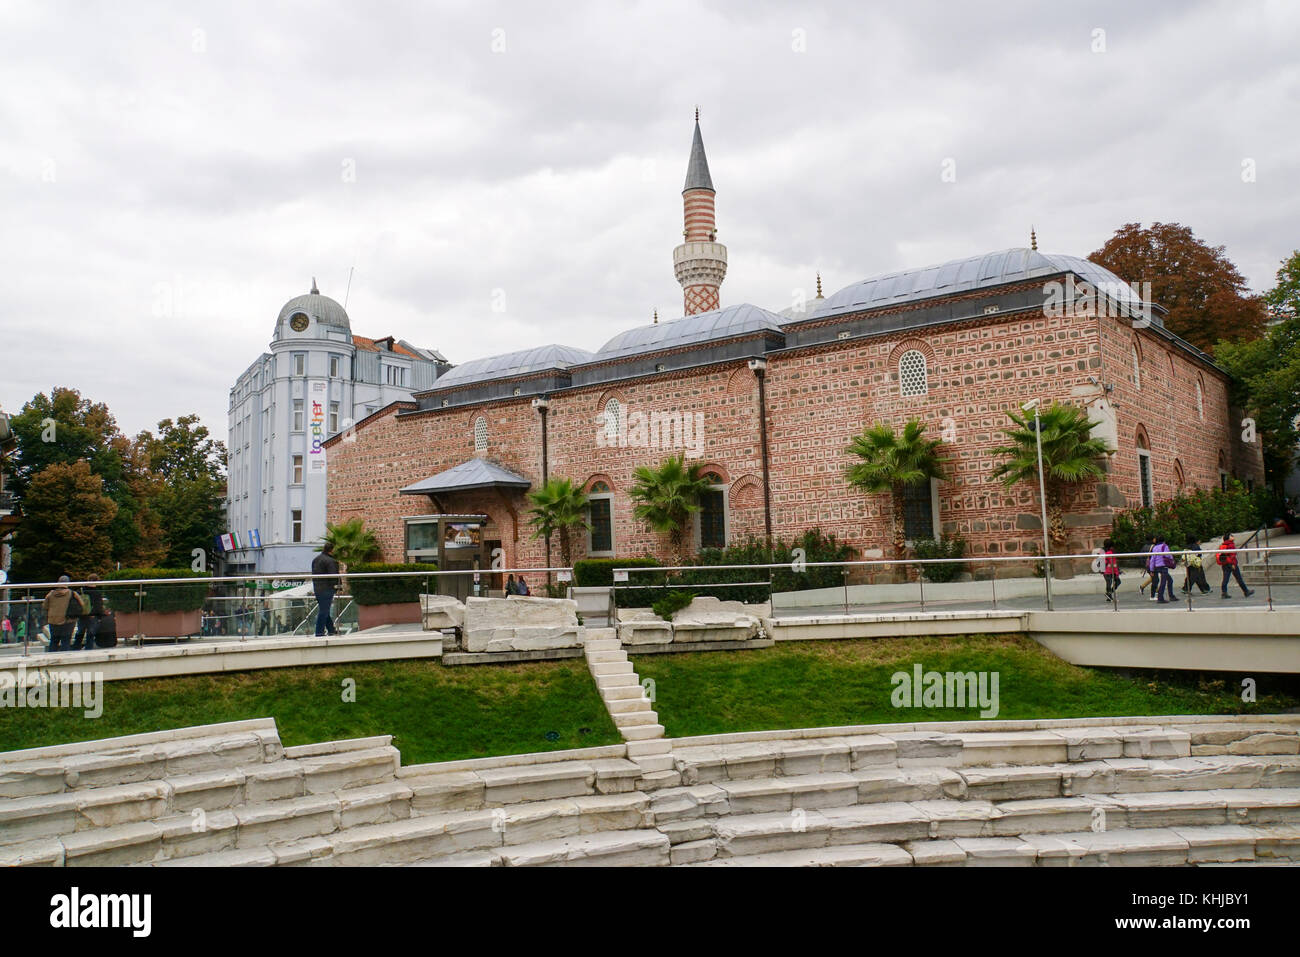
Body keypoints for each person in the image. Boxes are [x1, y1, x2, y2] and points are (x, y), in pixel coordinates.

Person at [42, 575, 82, 653]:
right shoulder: (72, 593)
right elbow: (82, 604)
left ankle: (51, 659)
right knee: (66, 641)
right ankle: (64, 659)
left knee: (54, 641)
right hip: (68, 621)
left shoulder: (51, 594)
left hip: (53, 620)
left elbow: (45, 606)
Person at [312, 543, 341, 636]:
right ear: (331, 550)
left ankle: (331, 630)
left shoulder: (316, 559)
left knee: (324, 609)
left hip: (317, 588)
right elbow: (333, 576)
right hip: (327, 588)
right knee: (324, 611)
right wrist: (337, 586)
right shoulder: (331, 561)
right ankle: (319, 632)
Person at [1216, 532, 1254, 599]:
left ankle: (1224, 593)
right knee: (1239, 578)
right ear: (1228, 538)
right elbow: (1232, 555)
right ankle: (1246, 591)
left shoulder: (1223, 545)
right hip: (1231, 564)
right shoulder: (1231, 545)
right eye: (1231, 535)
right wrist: (1233, 564)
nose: (1233, 536)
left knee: (1225, 579)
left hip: (1225, 564)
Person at [72, 575, 104, 651]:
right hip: (92, 616)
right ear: (97, 581)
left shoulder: (81, 590)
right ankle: (88, 650)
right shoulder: (97, 592)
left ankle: (76, 649)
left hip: (82, 615)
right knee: (90, 635)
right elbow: (98, 606)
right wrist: (99, 617)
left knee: (80, 633)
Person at [1150, 536, 1175, 603]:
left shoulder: (1154, 548)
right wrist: (1172, 560)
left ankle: (1171, 596)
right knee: (1164, 582)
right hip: (1164, 566)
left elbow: (1152, 559)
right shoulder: (1165, 546)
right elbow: (1167, 555)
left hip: (1157, 566)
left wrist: (1151, 569)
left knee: (1169, 580)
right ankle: (1161, 598)